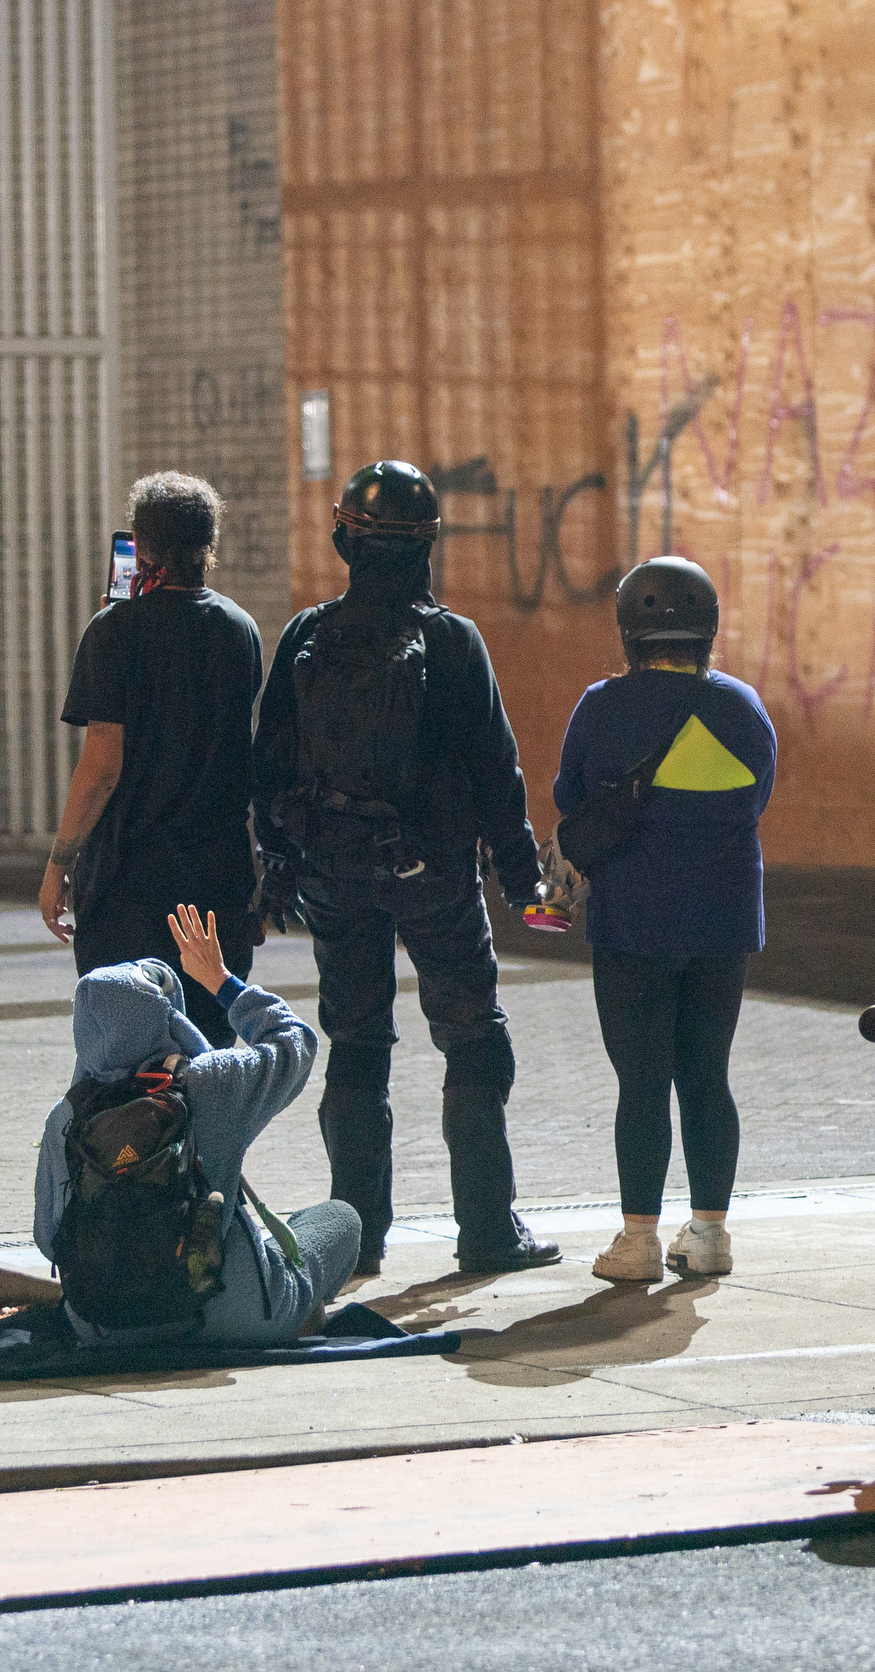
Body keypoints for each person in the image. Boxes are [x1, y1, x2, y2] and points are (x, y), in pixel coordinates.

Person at [253, 460, 558, 1277]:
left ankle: (356, 1240)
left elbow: (268, 762)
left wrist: (277, 864)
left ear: (343, 540)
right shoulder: (452, 641)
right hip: (435, 878)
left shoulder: (307, 635)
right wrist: (523, 881)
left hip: (331, 873)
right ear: (429, 545)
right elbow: (496, 773)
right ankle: (487, 1231)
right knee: (473, 1038)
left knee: (356, 1044)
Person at [554, 557, 776, 1284]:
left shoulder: (601, 706)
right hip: (724, 923)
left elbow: (570, 798)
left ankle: (639, 1241)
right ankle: (709, 1234)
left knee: (642, 1081)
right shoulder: (743, 707)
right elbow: (758, 796)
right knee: (708, 1075)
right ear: (707, 630)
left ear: (629, 631)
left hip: (634, 923)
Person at [34, 905, 364, 1345]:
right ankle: (293, 1311)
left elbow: (48, 1238)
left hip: (103, 1327)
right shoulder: (210, 1082)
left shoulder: (65, 1117)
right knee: (339, 1219)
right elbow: (295, 1042)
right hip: (231, 1315)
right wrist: (220, 981)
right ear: (166, 1015)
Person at [41, 472, 263, 1043]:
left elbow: (100, 769)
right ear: (208, 545)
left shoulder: (114, 632)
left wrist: (59, 864)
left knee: (127, 1058)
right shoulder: (241, 630)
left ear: (139, 546)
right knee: (210, 1054)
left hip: (128, 890)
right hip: (216, 886)